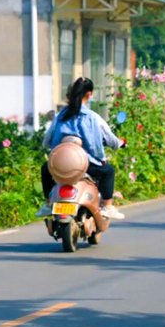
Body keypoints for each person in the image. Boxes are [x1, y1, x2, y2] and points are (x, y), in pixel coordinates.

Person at [35, 77, 125, 220]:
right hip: (85, 166)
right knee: (108, 171)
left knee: (46, 169)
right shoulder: (92, 117)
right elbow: (102, 143)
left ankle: (47, 204)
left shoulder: (60, 116)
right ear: (89, 94)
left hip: (60, 165)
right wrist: (115, 147)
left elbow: (47, 141)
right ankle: (108, 207)